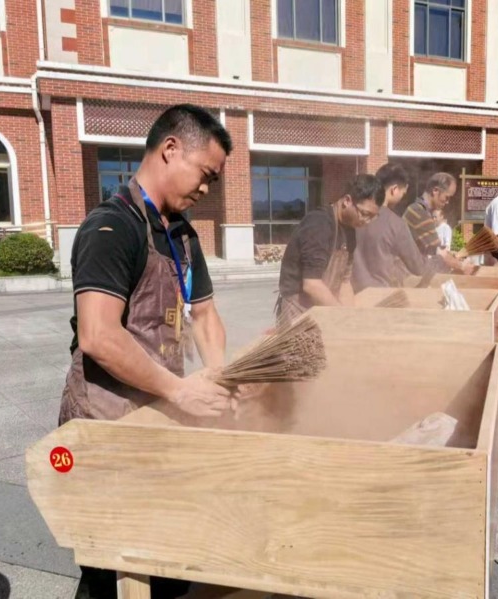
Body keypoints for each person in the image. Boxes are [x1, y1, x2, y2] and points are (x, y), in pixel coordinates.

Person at [61, 104, 235, 599]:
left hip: (159, 417)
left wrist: (218, 381)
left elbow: (205, 314)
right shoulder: (111, 228)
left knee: (166, 563)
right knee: (110, 569)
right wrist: (181, 391)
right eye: (205, 175)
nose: (207, 189)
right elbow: (99, 335)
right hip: (106, 425)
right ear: (170, 148)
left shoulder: (181, 234)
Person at [276, 174, 384, 325]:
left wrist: (350, 316)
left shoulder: (350, 232)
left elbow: (345, 282)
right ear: (347, 201)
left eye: (373, 217)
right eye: (365, 214)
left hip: (324, 308)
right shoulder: (319, 225)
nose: (367, 221)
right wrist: (340, 315)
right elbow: (312, 285)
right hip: (298, 310)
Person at [352, 164, 440, 292]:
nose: (402, 198)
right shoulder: (395, 223)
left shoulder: (352, 216)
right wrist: (437, 260)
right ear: (394, 189)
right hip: (380, 297)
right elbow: (418, 267)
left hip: (350, 295)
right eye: (403, 193)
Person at [403, 172, 474, 274]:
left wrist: (456, 257)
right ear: (435, 191)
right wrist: (462, 267)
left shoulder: (419, 210)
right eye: (447, 197)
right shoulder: (419, 212)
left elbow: (434, 251)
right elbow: (440, 253)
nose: (447, 202)